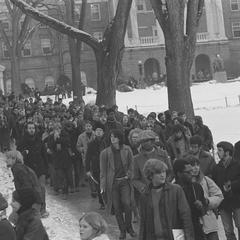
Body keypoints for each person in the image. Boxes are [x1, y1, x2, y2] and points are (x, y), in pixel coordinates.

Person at [139, 158, 194, 240]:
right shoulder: (145, 196)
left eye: (164, 171)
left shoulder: (176, 190)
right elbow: (143, 223)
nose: (162, 175)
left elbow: (185, 215)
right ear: (150, 175)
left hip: (173, 236)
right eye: (158, 172)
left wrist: (189, 237)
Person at [100, 129, 136, 240]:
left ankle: (129, 226)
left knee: (127, 203)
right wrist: (102, 185)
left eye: (115, 137)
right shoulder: (105, 153)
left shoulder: (127, 149)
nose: (112, 139)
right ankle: (122, 231)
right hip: (113, 183)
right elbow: (103, 171)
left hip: (124, 181)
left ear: (119, 138)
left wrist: (129, 174)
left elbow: (131, 164)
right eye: (111, 137)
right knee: (117, 208)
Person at [17, 122, 48, 217]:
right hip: (28, 169)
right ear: (26, 129)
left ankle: (42, 209)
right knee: (32, 190)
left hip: (40, 168)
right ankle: (33, 210)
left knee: (41, 188)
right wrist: (23, 153)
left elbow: (44, 155)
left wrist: (46, 169)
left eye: (33, 128)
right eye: (29, 128)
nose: (31, 130)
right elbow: (18, 157)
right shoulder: (22, 141)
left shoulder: (39, 140)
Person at [190, 155, 224, 240]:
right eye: (192, 165)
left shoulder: (206, 180)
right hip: (193, 224)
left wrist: (208, 201)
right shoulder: (182, 183)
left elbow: (219, 196)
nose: (196, 168)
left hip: (209, 222)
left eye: (197, 165)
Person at [212, 141, 240, 240]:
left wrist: (232, 185)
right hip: (223, 203)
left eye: (220, 150)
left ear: (227, 152)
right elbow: (214, 185)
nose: (217, 153)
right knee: (228, 231)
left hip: (237, 202)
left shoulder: (237, 165)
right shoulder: (216, 168)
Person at [173, 159, 207, 240]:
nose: (192, 174)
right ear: (179, 174)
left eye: (191, 171)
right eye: (188, 172)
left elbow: (204, 211)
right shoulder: (171, 190)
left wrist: (201, 206)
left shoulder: (197, 187)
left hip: (196, 227)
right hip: (179, 229)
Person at [132, 130, 173, 196]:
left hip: (165, 190)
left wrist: (166, 183)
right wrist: (143, 188)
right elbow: (134, 179)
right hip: (149, 193)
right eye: (144, 141)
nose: (148, 142)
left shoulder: (163, 153)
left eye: (150, 140)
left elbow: (170, 172)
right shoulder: (136, 159)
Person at [86, 122, 107, 208]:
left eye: (100, 130)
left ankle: (108, 201)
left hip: (106, 167)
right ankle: (102, 202)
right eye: (97, 130)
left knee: (107, 184)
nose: (98, 132)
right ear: (95, 132)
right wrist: (87, 170)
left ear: (103, 132)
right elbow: (88, 157)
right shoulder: (91, 144)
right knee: (98, 186)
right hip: (96, 167)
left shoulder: (106, 143)